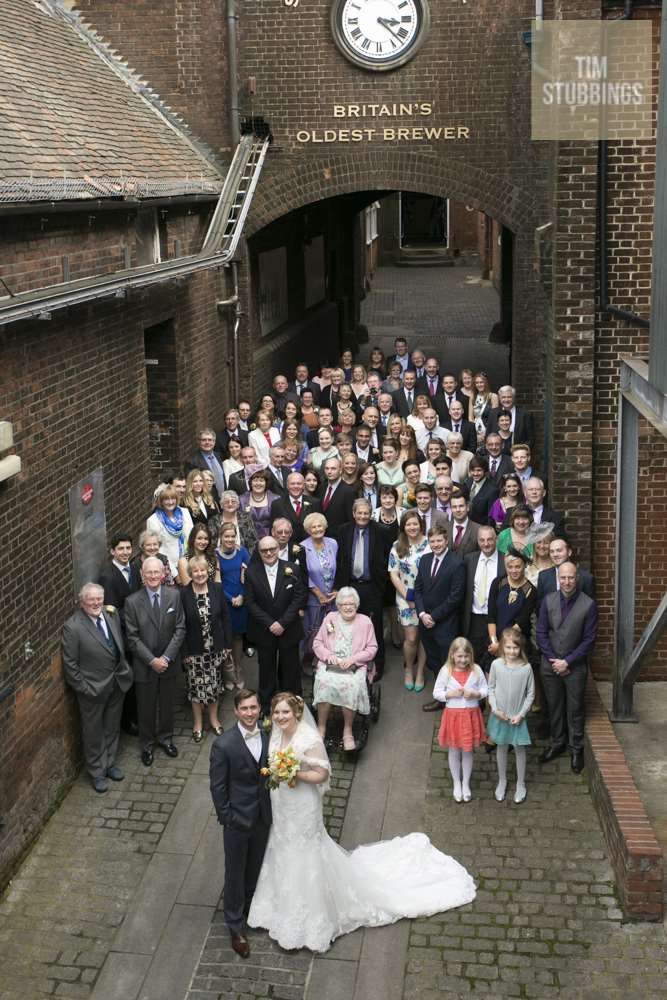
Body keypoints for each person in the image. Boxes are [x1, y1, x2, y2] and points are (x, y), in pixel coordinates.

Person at [247, 692, 476, 952]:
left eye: (285, 712)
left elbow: (322, 774)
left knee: (306, 852)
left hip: (302, 804)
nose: (280, 717)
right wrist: (279, 772)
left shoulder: (309, 738)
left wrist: (295, 773)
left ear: (297, 713)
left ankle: (310, 918)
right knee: (283, 847)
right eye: (276, 712)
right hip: (283, 804)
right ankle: (278, 906)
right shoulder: (275, 733)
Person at [209, 688, 271, 960]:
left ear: (259, 709)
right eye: (244, 709)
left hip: (263, 817)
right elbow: (218, 787)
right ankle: (235, 926)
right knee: (234, 873)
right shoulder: (224, 745)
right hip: (237, 820)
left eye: (253, 708)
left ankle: (251, 909)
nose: (249, 713)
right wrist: (228, 818)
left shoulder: (269, 736)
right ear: (235, 712)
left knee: (255, 866)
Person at [62, 583, 133, 793]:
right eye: (91, 600)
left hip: (116, 683)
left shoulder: (110, 614)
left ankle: (109, 763)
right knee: (93, 733)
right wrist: (85, 688)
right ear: (82, 602)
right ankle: (97, 773)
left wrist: (124, 670)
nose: (95, 603)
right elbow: (70, 665)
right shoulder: (73, 627)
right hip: (92, 690)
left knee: (111, 727)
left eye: (98, 599)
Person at [537, 562, 598, 774]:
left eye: (571, 577)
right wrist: (554, 660)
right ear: (558, 578)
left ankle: (576, 749)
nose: (567, 581)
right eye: (563, 578)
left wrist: (568, 661)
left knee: (575, 709)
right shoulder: (548, 600)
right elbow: (541, 633)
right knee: (554, 706)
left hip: (575, 667)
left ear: (577, 578)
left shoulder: (588, 604)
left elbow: (589, 640)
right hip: (550, 665)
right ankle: (557, 743)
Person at [124, 557, 186, 766]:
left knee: (167, 705)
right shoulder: (132, 602)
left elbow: (180, 629)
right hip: (145, 666)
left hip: (169, 664)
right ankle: (147, 744)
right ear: (142, 575)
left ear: (163, 574)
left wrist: (166, 658)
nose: (152, 576)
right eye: (148, 573)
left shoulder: (174, 596)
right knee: (146, 708)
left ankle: (166, 738)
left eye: (156, 572)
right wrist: (152, 661)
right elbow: (131, 637)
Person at [311, 588, 378, 750]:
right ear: (338, 606)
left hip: (354, 666)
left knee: (352, 685)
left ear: (357, 605)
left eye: (352, 604)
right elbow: (317, 643)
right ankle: (321, 727)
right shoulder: (330, 618)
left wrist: (353, 659)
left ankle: (347, 730)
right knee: (324, 683)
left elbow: (372, 648)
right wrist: (328, 655)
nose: (348, 607)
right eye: (344, 604)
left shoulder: (365, 622)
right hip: (330, 665)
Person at [244, 536, 305, 714]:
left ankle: (292, 704)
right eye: (264, 550)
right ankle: (266, 706)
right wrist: (270, 623)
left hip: (289, 629)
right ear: (259, 552)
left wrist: (283, 623)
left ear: (278, 548)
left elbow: (298, 597)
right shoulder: (251, 572)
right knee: (266, 669)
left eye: (272, 549)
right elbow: (250, 602)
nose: (269, 553)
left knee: (290, 669)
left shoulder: (292, 569)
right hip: (264, 630)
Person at [334, 498, 389, 678]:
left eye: (366, 513)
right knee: (349, 626)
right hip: (350, 586)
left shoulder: (381, 531)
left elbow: (386, 559)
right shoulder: (344, 531)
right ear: (353, 513)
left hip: (372, 587)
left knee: (374, 627)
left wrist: (380, 589)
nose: (363, 516)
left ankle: (377, 665)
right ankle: (352, 663)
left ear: (371, 514)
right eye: (360, 513)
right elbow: (340, 559)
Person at [181, 555, 233, 741]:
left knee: (214, 685)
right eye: (195, 571)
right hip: (194, 650)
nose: (200, 574)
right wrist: (185, 652)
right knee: (196, 689)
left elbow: (226, 618)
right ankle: (198, 723)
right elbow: (181, 626)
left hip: (215, 648)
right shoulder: (183, 594)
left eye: (203, 570)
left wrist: (227, 644)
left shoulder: (217, 589)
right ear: (190, 573)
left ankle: (214, 719)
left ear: (208, 571)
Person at [415, 524, 466, 711]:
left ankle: (451, 702)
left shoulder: (457, 563)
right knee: (434, 660)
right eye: (432, 541)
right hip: (425, 623)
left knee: (448, 662)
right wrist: (421, 614)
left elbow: (455, 597)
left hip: (445, 623)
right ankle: (441, 696)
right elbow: (418, 589)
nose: (435, 544)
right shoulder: (425, 559)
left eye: (439, 540)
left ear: (446, 541)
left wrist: (433, 616)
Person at [434, 638, 488, 802]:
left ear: (471, 656)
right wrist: (448, 695)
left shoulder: (476, 670)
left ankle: (466, 783)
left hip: (471, 715)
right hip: (454, 716)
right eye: (459, 656)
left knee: (468, 750)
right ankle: (457, 782)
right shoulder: (446, 671)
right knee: (454, 750)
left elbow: (486, 689)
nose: (463, 660)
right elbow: (436, 692)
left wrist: (476, 694)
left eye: (466, 656)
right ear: (452, 655)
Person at [487, 627, 535, 804]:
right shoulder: (496, 665)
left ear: (520, 648)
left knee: (519, 749)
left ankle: (520, 783)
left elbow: (530, 694)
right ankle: (502, 780)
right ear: (502, 648)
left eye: (515, 648)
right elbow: (490, 688)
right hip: (500, 715)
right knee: (501, 746)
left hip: (517, 717)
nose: (512, 651)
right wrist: (494, 708)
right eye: (508, 648)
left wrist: (522, 714)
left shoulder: (526, 668)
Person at [389, 510, 429, 691]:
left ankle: (420, 671)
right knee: (411, 638)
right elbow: (394, 574)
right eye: (408, 524)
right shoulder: (397, 546)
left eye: (415, 524)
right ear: (403, 527)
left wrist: (421, 599)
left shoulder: (430, 543)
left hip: (428, 596)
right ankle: (408, 669)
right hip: (405, 596)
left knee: (425, 637)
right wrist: (409, 596)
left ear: (421, 524)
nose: (412, 527)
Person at [462, 526, 505, 670]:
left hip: (496, 618)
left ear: (496, 540)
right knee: (473, 657)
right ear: (478, 541)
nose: (486, 544)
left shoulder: (505, 560)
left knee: (494, 658)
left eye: (489, 539)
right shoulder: (469, 559)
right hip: (474, 617)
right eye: (482, 540)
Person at [216, 523, 249, 689]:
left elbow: (249, 576)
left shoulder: (242, 552)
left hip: (241, 601)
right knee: (224, 638)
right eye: (226, 536)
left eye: (232, 536)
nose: (229, 539)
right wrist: (231, 599)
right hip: (224, 601)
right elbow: (216, 583)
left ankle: (238, 669)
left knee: (237, 638)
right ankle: (227, 673)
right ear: (221, 537)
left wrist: (242, 596)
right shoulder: (215, 555)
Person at [487, 549, 537, 658]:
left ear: (524, 566)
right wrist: (494, 642)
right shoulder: (498, 583)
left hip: (515, 644)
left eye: (518, 567)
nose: (514, 570)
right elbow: (491, 616)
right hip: (494, 640)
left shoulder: (530, 590)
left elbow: (520, 622)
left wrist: (501, 645)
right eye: (510, 567)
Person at [146, 486, 194, 579]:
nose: (170, 502)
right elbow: (158, 550)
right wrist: (175, 574)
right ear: (161, 501)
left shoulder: (185, 512)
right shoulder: (153, 520)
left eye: (173, 498)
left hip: (190, 563)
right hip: (170, 568)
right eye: (166, 499)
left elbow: (192, 536)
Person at [537, 537, 596, 602]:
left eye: (559, 550)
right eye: (552, 551)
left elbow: (591, 607)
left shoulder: (586, 578)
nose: (555, 554)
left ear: (569, 552)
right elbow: (540, 605)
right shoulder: (543, 577)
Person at [269, 471, 321, 543]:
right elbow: (273, 530)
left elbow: (320, 527)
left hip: (310, 546)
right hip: (287, 547)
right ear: (287, 485)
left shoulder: (315, 503)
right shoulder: (277, 504)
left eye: (299, 484)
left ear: (303, 485)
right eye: (292, 484)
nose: (296, 486)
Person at [485, 385, 535, 449]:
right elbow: (488, 436)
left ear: (514, 398)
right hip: (497, 454)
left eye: (509, 397)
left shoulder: (525, 415)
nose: (506, 400)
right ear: (499, 398)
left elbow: (530, 439)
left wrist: (520, 452)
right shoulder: (493, 413)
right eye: (503, 397)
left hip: (517, 456)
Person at [239, 468, 280, 542]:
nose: (258, 483)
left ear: (266, 483)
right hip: (247, 540)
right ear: (250, 483)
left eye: (261, 480)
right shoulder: (241, 499)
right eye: (255, 480)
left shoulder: (276, 499)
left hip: (270, 540)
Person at [185, 428, 227, 498]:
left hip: (222, 499)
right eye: (204, 440)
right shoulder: (192, 462)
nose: (207, 442)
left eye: (210, 440)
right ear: (199, 442)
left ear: (214, 442)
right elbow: (191, 486)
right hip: (205, 499)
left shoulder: (218, 456)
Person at [319, 456, 356, 536]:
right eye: (327, 468)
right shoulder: (320, 488)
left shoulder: (349, 491)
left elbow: (351, 520)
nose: (329, 471)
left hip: (340, 537)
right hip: (320, 535)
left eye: (333, 469)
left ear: (340, 470)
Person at [219, 489, 258, 553]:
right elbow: (212, 545)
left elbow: (253, 542)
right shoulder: (214, 521)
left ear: (238, 505)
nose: (230, 504)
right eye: (226, 502)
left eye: (233, 501)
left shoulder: (246, 519)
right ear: (221, 505)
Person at [463, 456, 498, 525]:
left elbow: (491, 518)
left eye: (479, 470)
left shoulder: (493, 490)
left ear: (485, 471)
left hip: (480, 529)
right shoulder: (468, 482)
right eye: (473, 470)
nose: (475, 473)